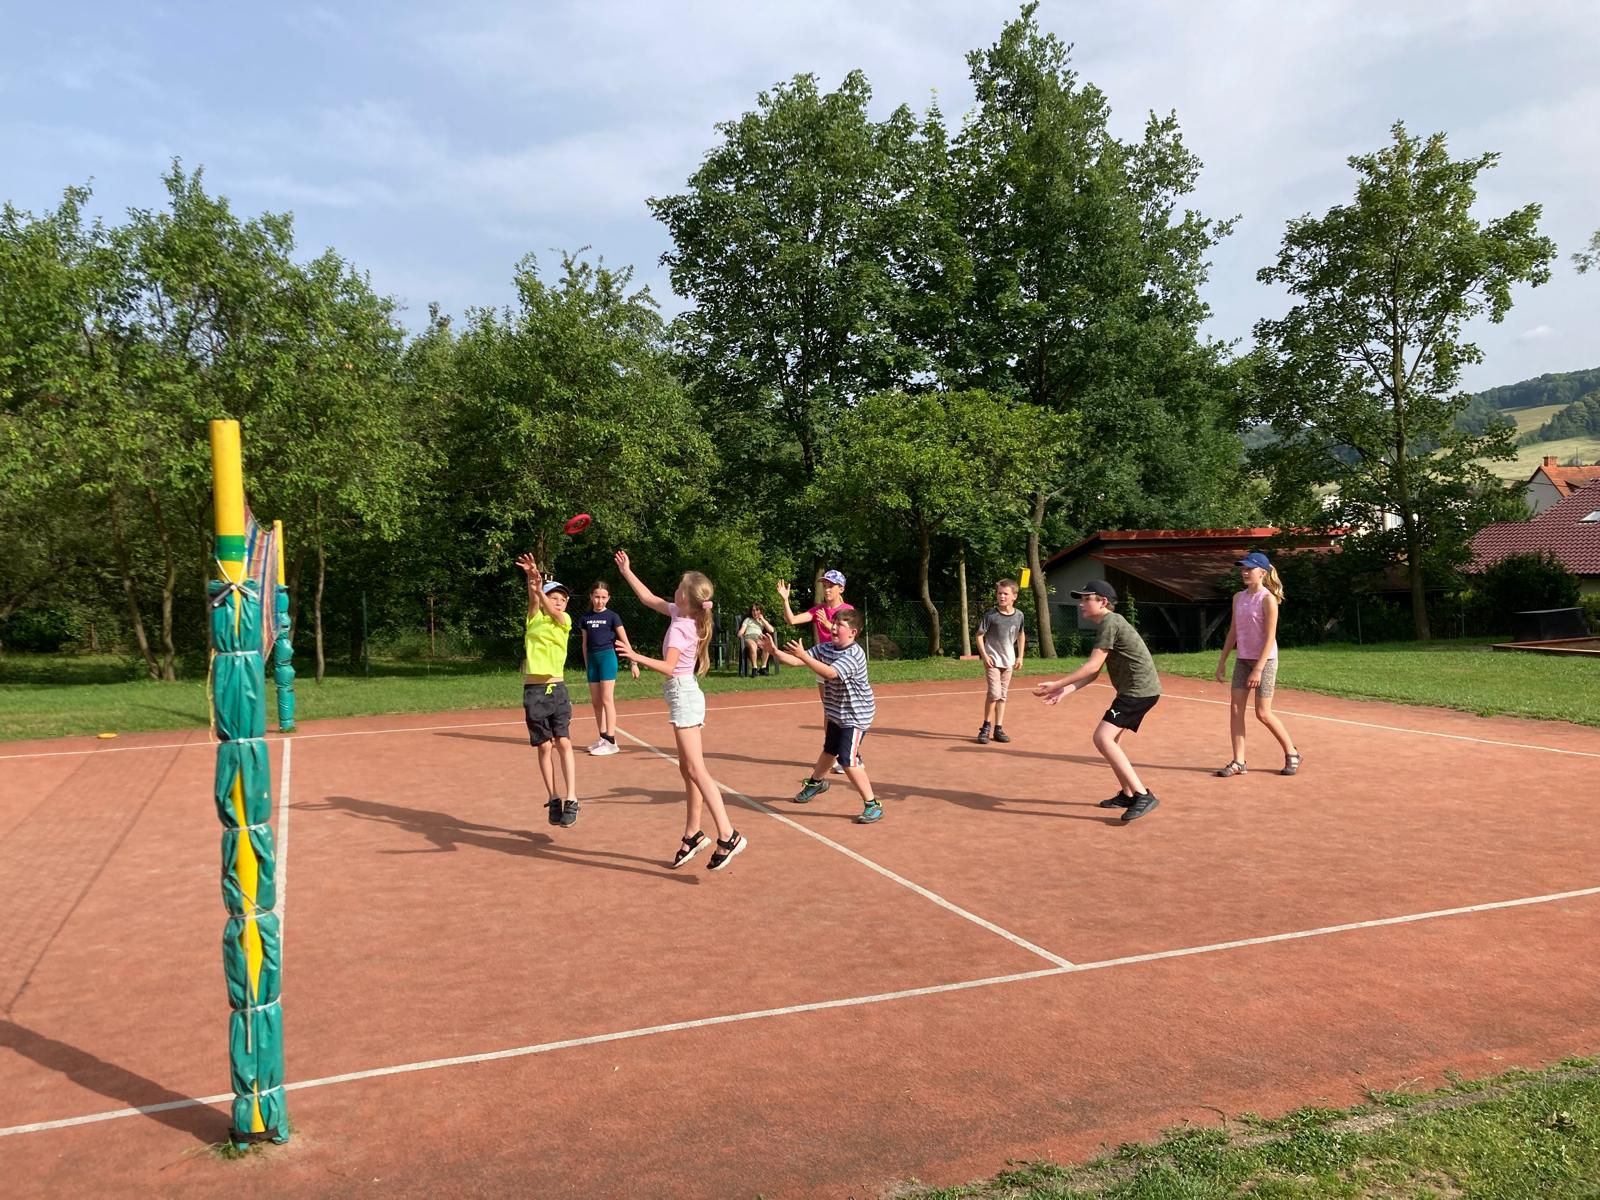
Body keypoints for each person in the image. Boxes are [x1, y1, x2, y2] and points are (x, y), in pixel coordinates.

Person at [612, 550, 749, 871]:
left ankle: (729, 835)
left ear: (685, 598)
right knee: (688, 770)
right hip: (684, 694)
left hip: (683, 694)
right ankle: (693, 834)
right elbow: (648, 598)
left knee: (697, 770)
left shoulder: (680, 628)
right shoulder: (683, 615)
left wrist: (635, 655)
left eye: (678, 587)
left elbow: (669, 667)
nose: (673, 591)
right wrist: (627, 571)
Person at [1032, 580, 1163, 822]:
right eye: (1081, 599)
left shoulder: (1110, 622)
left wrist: (1057, 683)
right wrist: (1065, 691)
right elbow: (1094, 673)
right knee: (1111, 741)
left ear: (1103, 602)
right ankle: (1127, 794)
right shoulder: (1109, 623)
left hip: (1138, 692)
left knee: (1102, 738)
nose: (1081, 604)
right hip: (1136, 691)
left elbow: (1092, 666)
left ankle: (1143, 795)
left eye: (1086, 599)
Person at [761, 609, 882, 824]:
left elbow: (830, 673)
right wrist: (774, 651)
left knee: (847, 760)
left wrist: (804, 656)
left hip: (856, 715)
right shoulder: (826, 648)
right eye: (834, 623)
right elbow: (796, 662)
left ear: (852, 632)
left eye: (840, 625)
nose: (833, 627)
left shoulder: (854, 654)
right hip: (836, 711)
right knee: (829, 750)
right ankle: (816, 783)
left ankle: (872, 804)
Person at [1213, 551, 1302, 777]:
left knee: (1263, 713)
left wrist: (1259, 669)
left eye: (1249, 569)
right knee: (1235, 710)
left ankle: (1292, 753)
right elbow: (1233, 631)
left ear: (1262, 573)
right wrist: (1222, 661)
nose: (1244, 572)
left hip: (1266, 661)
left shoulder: (1267, 599)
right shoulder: (1238, 598)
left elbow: (1270, 637)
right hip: (1243, 659)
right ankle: (1238, 762)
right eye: (1243, 568)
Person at [516, 553, 578, 828]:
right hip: (535, 690)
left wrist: (541, 589)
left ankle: (572, 798)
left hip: (557, 687)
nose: (560, 601)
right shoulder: (534, 618)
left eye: (563, 598)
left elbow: (552, 611)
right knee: (543, 746)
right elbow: (534, 601)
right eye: (555, 597)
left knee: (563, 742)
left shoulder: (564, 620)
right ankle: (553, 797)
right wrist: (533, 580)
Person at [777, 569, 856, 771]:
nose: (827, 590)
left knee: (844, 710)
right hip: (822, 663)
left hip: (842, 665)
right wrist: (785, 600)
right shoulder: (819, 609)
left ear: (841, 589)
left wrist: (827, 623)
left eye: (831, 586)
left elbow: (848, 635)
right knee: (829, 710)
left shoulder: (847, 610)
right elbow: (792, 620)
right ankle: (833, 754)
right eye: (825, 586)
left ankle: (849, 753)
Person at [577, 580, 638, 756]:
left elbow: (625, 640)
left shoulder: (613, 616)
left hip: (607, 658)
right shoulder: (585, 618)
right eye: (597, 597)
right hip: (592, 660)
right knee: (596, 702)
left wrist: (633, 663)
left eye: (603, 597)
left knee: (606, 699)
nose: (600, 600)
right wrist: (587, 663)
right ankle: (603, 737)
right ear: (591, 596)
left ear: (608, 598)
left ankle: (611, 741)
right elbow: (584, 644)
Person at [975, 578, 1026, 744]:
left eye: (1005, 594)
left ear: (1014, 596)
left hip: (1008, 661)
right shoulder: (991, 615)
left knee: (1002, 696)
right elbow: (979, 635)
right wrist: (985, 655)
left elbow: (1021, 634)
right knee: (994, 693)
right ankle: (985, 728)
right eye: (999, 593)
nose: (1002, 596)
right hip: (993, 661)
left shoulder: (1019, 615)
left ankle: (998, 729)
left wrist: (1020, 656)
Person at [738, 604, 776, 675]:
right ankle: (754, 668)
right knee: (753, 646)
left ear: (760, 611)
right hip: (749, 637)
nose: (755, 612)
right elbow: (741, 631)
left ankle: (763, 668)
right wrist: (740, 634)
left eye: (757, 610)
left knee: (766, 646)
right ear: (751, 612)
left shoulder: (762, 621)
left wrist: (762, 619)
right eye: (753, 610)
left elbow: (771, 630)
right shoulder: (748, 620)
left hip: (759, 638)